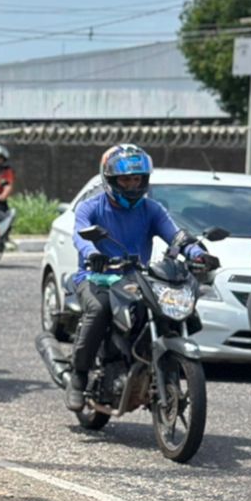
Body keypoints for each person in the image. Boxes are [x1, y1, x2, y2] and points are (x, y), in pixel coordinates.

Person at [65, 143, 207, 411]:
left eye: (137, 179)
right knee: (99, 309)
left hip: (135, 278)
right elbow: (79, 235)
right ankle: (79, 376)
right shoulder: (90, 207)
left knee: (168, 309)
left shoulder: (151, 209)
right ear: (110, 180)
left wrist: (196, 253)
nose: (132, 185)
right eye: (125, 179)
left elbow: (175, 235)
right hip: (96, 277)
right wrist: (93, 252)